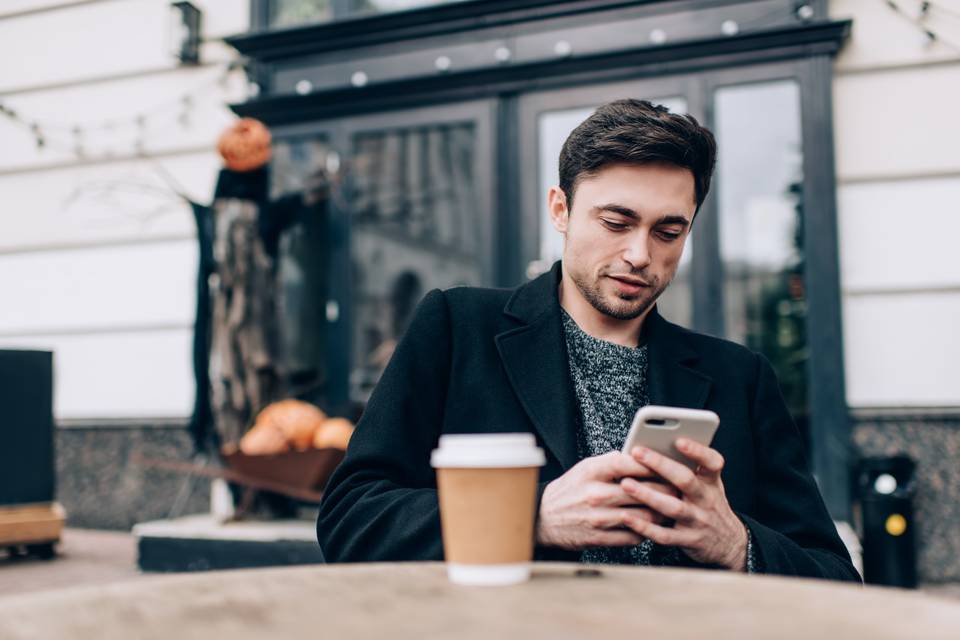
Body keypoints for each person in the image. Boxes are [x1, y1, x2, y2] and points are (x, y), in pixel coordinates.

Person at [316, 99, 860, 581]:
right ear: (561, 210)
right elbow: (351, 518)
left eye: (669, 232)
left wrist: (737, 545)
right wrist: (533, 517)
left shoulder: (741, 377)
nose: (640, 254)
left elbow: (835, 577)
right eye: (617, 222)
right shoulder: (458, 327)